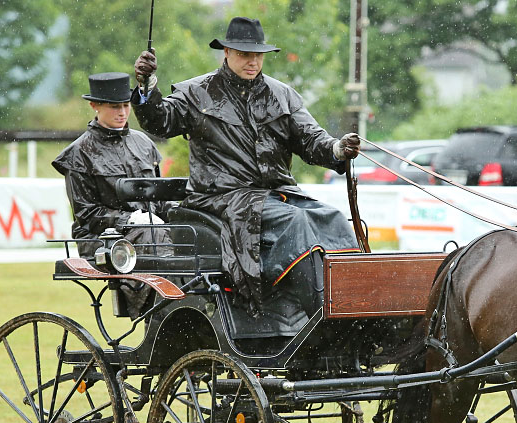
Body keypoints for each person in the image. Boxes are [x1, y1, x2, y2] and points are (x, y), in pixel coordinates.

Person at [132, 16, 361, 315]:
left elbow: (310, 139)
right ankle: (323, 312)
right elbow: (159, 121)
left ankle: (354, 306)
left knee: (332, 219)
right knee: (297, 223)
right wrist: (147, 87)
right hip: (222, 198)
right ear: (226, 52)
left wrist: (336, 147)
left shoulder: (282, 95)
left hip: (278, 195)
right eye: (244, 54)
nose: (252, 62)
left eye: (257, 55)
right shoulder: (196, 93)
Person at [53, 71, 173, 316]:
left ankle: (189, 305)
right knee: (153, 235)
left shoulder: (144, 144)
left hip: (152, 231)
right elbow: (87, 214)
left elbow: (160, 200)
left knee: (196, 232)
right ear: (94, 106)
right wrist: (129, 220)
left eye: (126, 105)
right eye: (114, 106)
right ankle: (163, 309)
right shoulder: (79, 153)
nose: (122, 112)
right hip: (102, 239)